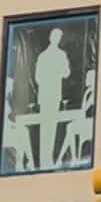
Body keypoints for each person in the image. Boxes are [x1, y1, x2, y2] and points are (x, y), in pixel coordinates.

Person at [35, 28, 69, 171]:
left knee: (49, 126)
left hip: (51, 94)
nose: (57, 39)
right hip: (49, 94)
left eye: (59, 37)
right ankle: (45, 160)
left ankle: (47, 159)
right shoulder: (46, 56)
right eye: (56, 37)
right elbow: (38, 77)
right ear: (51, 38)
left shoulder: (54, 55)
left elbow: (66, 73)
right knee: (47, 126)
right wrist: (55, 72)